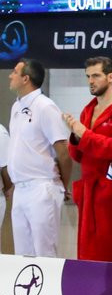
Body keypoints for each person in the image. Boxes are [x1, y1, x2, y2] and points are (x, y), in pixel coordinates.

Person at [63, 57, 112, 263]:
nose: (91, 81)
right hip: (89, 193)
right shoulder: (88, 110)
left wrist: (85, 136)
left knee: (111, 253)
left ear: (110, 77)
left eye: (96, 75)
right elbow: (77, 156)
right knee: (87, 254)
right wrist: (76, 137)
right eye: (88, 76)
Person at [7, 58, 71, 257]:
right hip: (21, 190)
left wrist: (62, 186)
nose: (10, 76)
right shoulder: (16, 107)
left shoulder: (45, 106)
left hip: (41, 188)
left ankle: (48, 289)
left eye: (14, 73)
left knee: (44, 253)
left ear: (26, 79)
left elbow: (63, 153)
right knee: (22, 255)